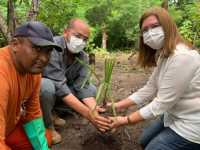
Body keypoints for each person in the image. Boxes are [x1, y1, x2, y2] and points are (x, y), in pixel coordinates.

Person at [108, 7, 200, 150]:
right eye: (145, 30)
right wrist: (119, 105)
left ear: (168, 26)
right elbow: (150, 88)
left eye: (155, 26)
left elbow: (160, 104)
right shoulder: (165, 55)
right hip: (174, 113)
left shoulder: (182, 57)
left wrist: (125, 120)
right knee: (145, 141)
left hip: (193, 123)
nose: (150, 32)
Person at [40, 18, 111, 144]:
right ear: (65, 32)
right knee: (47, 86)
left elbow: (82, 86)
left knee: (92, 90)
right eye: (78, 36)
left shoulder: (82, 56)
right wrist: (88, 114)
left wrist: (94, 109)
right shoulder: (52, 48)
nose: (80, 42)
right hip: (44, 94)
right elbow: (60, 87)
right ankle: (47, 124)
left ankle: (54, 113)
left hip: (59, 95)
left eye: (85, 39)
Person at [0, 21, 62, 150]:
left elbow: (33, 113)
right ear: (15, 45)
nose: (44, 59)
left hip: (7, 128)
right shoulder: (2, 72)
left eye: (48, 51)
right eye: (37, 48)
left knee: (45, 138)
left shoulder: (33, 71)